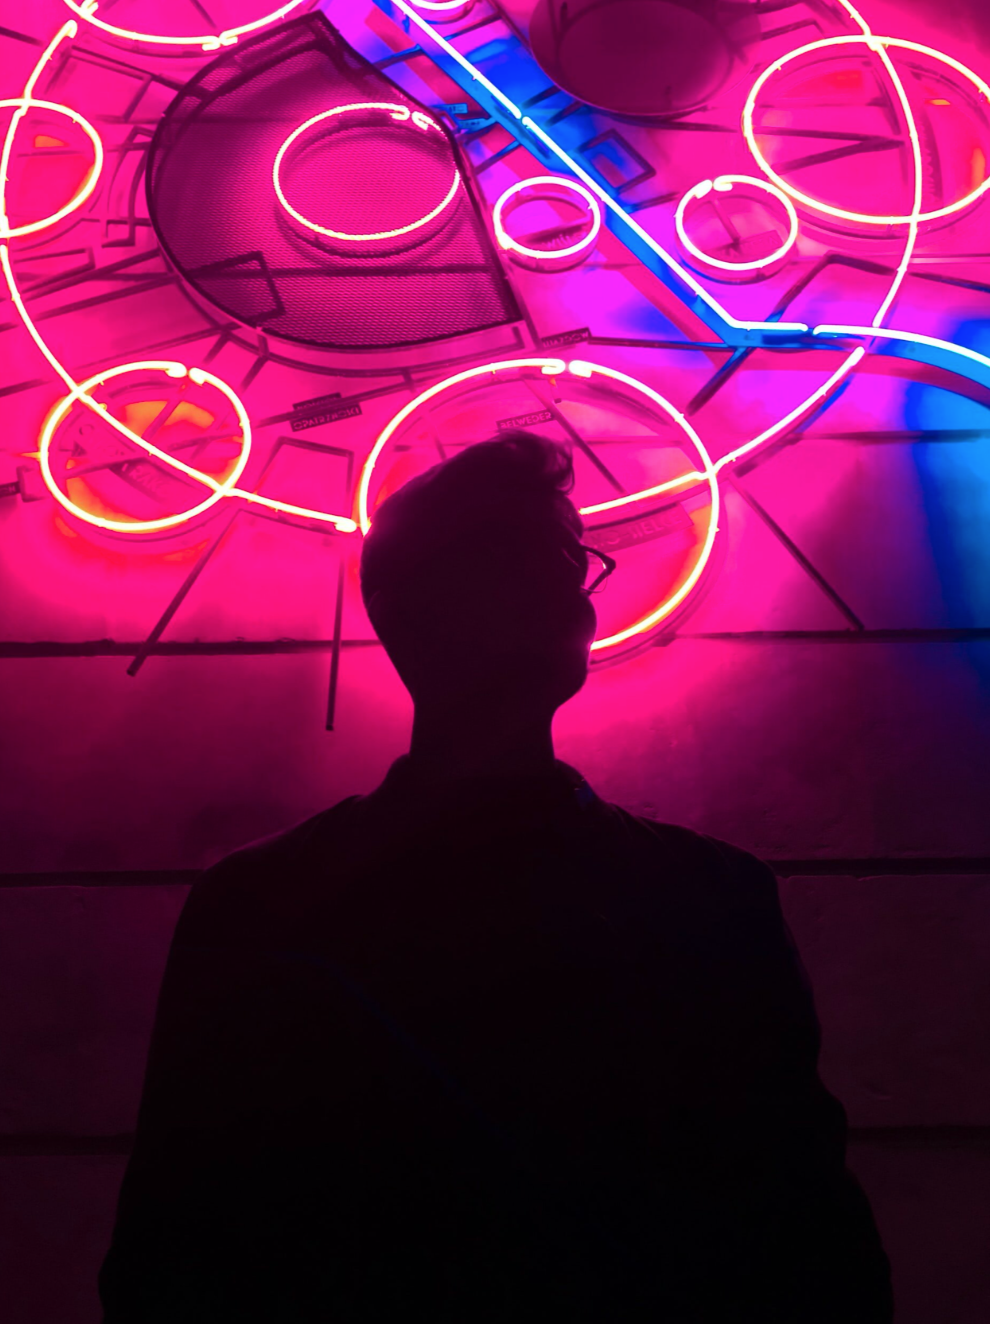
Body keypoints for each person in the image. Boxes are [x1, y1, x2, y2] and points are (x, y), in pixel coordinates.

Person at [100, 433, 892, 1322]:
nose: (582, 592)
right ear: (428, 605)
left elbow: (171, 1255)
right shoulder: (707, 902)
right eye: (550, 555)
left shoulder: (261, 906)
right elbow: (809, 1247)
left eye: (575, 559)